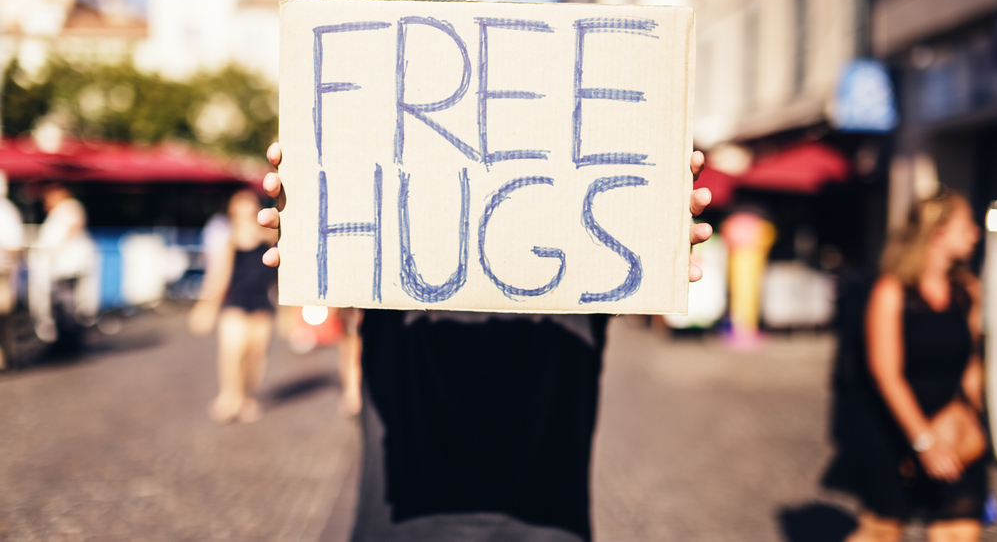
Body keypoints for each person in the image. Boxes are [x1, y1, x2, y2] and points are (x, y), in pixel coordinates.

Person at [257, 142, 712, 542]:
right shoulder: (392, 200)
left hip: (532, 524)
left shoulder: (577, 210)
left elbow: (627, 265)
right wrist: (307, 218)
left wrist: (658, 240)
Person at [826, 189, 987, 542]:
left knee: (961, 529)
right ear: (938, 232)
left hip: (950, 425)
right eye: (967, 225)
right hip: (893, 427)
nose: (976, 233)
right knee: (882, 533)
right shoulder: (892, 291)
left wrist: (973, 421)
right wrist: (923, 441)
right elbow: (886, 374)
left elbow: (972, 363)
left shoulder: (967, 290)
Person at [190, 189, 278, 424]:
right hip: (236, 302)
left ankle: (249, 398)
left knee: (256, 356)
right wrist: (205, 308)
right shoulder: (228, 240)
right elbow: (218, 277)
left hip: (261, 303)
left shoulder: (269, 238)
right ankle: (229, 397)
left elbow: (278, 276)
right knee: (232, 353)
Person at [33, 183, 96, 353]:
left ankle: (69, 343)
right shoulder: (61, 211)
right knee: (62, 306)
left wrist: (52, 247)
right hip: (61, 267)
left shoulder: (69, 208)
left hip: (69, 267)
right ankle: (64, 340)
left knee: (67, 306)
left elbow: (72, 228)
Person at [0, 171, 24, 368]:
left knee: (3, 315)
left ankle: (6, 357)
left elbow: (14, 246)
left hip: (1, 271)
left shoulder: (5, 211)